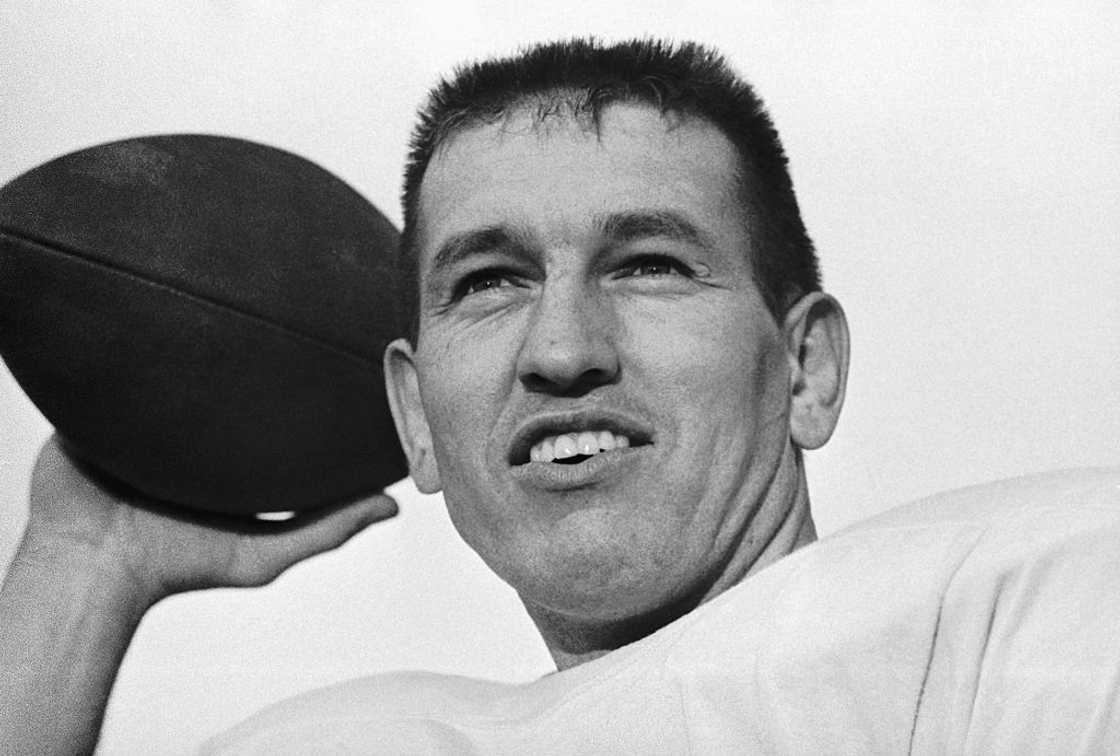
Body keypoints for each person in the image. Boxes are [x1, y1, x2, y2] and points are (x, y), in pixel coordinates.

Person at [3, 38, 1118, 754]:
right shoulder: (346, 743)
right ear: (415, 419)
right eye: (490, 282)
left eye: (646, 263)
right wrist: (83, 563)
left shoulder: (1028, 615)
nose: (562, 349)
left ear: (808, 370)